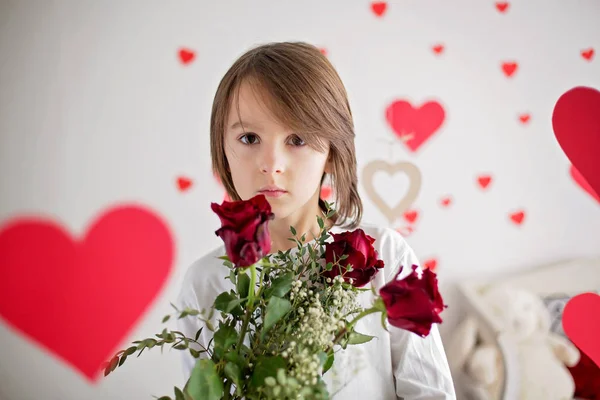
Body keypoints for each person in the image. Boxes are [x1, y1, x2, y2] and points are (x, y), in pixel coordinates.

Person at [176, 41, 456, 399]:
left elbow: (431, 392)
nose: (271, 163)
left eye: (297, 139)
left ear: (330, 152)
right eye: (249, 138)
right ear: (222, 147)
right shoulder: (205, 283)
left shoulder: (384, 256)